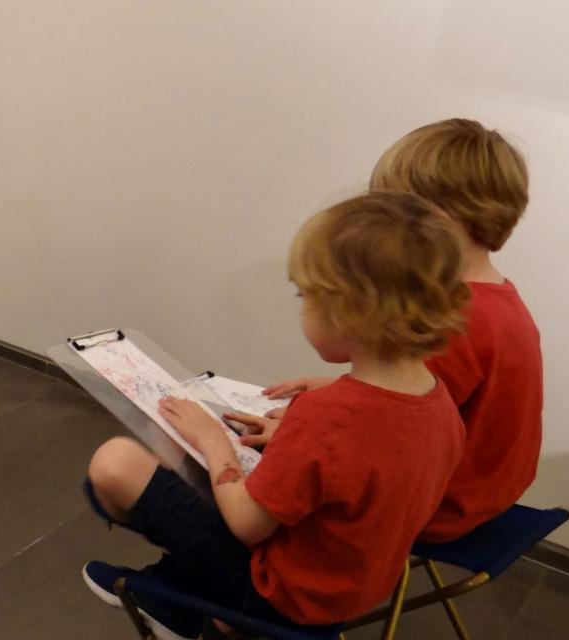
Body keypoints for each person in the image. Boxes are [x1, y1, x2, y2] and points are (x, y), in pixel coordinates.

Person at [82, 192, 468, 638]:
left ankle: (183, 603)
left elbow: (247, 525)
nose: (301, 309)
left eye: (305, 297)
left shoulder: (327, 415)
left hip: (279, 599)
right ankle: (178, 594)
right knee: (172, 468)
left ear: (349, 312)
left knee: (115, 464)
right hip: (356, 589)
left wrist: (214, 441)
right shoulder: (441, 405)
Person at [262, 119, 540, 542]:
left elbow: (392, 439)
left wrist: (292, 442)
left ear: (430, 220)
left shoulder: (457, 319)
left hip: (440, 506)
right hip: (487, 493)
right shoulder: (496, 298)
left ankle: (193, 601)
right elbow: (419, 396)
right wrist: (329, 388)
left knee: (264, 488)